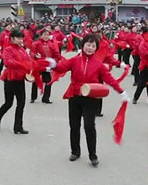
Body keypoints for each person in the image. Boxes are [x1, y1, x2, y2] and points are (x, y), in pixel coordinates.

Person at [52, 34, 131, 166]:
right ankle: (75, 151)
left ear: (96, 49)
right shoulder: (74, 61)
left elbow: (109, 79)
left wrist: (121, 91)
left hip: (91, 98)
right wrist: (52, 64)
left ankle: (92, 154)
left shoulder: (99, 64)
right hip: (75, 96)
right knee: (74, 125)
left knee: (89, 126)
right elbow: (61, 68)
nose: (90, 48)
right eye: (88, 45)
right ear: (82, 46)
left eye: (93, 46)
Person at [0, 30, 33, 134]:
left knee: (21, 103)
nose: (20, 40)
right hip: (10, 79)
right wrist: (22, 65)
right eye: (18, 38)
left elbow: (29, 61)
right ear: (12, 38)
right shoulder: (8, 49)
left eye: (21, 38)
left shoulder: (23, 50)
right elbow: (8, 62)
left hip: (20, 79)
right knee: (8, 103)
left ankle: (18, 127)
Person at [31, 29, 62, 103]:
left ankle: (46, 98)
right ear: (41, 35)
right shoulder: (36, 44)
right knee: (35, 81)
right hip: (38, 65)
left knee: (48, 81)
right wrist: (35, 55)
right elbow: (32, 53)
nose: (46, 36)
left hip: (47, 66)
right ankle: (33, 97)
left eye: (47, 35)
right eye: (44, 34)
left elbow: (56, 54)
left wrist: (60, 60)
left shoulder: (51, 44)